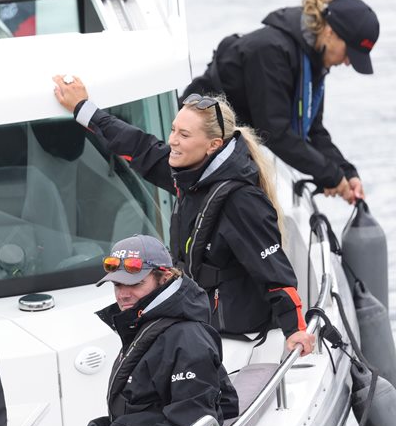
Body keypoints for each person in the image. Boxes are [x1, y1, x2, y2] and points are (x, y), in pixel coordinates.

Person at [54, 75, 316, 357]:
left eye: (184, 135)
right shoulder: (191, 173)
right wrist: (84, 109)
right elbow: (138, 147)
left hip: (234, 334)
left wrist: (295, 329)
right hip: (197, 315)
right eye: (173, 130)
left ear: (213, 145)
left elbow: (275, 271)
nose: (173, 141)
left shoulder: (241, 200)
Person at [14, 236, 239, 426]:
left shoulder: (186, 339)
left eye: (135, 284)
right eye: (118, 285)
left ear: (164, 278)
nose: (123, 295)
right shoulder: (146, 324)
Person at [183, 0, 379, 204]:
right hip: (197, 141)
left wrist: (346, 172)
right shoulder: (271, 51)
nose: (348, 62)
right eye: (348, 53)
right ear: (331, 32)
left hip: (230, 146)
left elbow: (315, 131)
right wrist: (330, 174)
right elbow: (275, 133)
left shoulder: (312, 60)